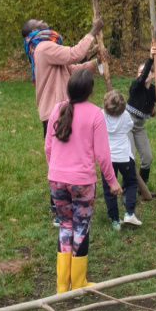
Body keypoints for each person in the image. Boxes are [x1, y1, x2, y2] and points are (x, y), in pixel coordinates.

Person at [45, 69, 122, 293]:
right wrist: (112, 181)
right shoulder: (95, 114)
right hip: (82, 184)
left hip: (56, 181)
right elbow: (103, 154)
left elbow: (48, 147)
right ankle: (78, 283)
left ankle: (62, 286)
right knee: (80, 228)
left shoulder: (56, 110)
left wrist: (56, 169)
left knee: (65, 227)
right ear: (90, 91)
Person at [22, 16, 104, 226]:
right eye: (36, 21)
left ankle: (59, 202)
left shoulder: (46, 49)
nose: (41, 20)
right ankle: (59, 209)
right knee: (59, 158)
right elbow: (73, 54)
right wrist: (92, 32)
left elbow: (73, 68)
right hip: (54, 112)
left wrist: (95, 63)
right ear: (32, 31)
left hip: (59, 110)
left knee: (63, 156)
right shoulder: (43, 47)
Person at [126, 44, 156, 195]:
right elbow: (142, 78)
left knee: (147, 158)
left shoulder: (151, 91)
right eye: (141, 72)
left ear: (152, 74)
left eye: (147, 71)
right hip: (127, 124)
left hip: (139, 126)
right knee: (130, 159)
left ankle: (141, 189)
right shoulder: (135, 87)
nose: (143, 74)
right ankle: (129, 189)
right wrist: (150, 58)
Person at [101, 89, 141, 229]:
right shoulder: (125, 116)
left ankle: (115, 220)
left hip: (107, 158)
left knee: (108, 188)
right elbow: (130, 126)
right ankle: (129, 212)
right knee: (131, 183)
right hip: (124, 156)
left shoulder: (101, 115)